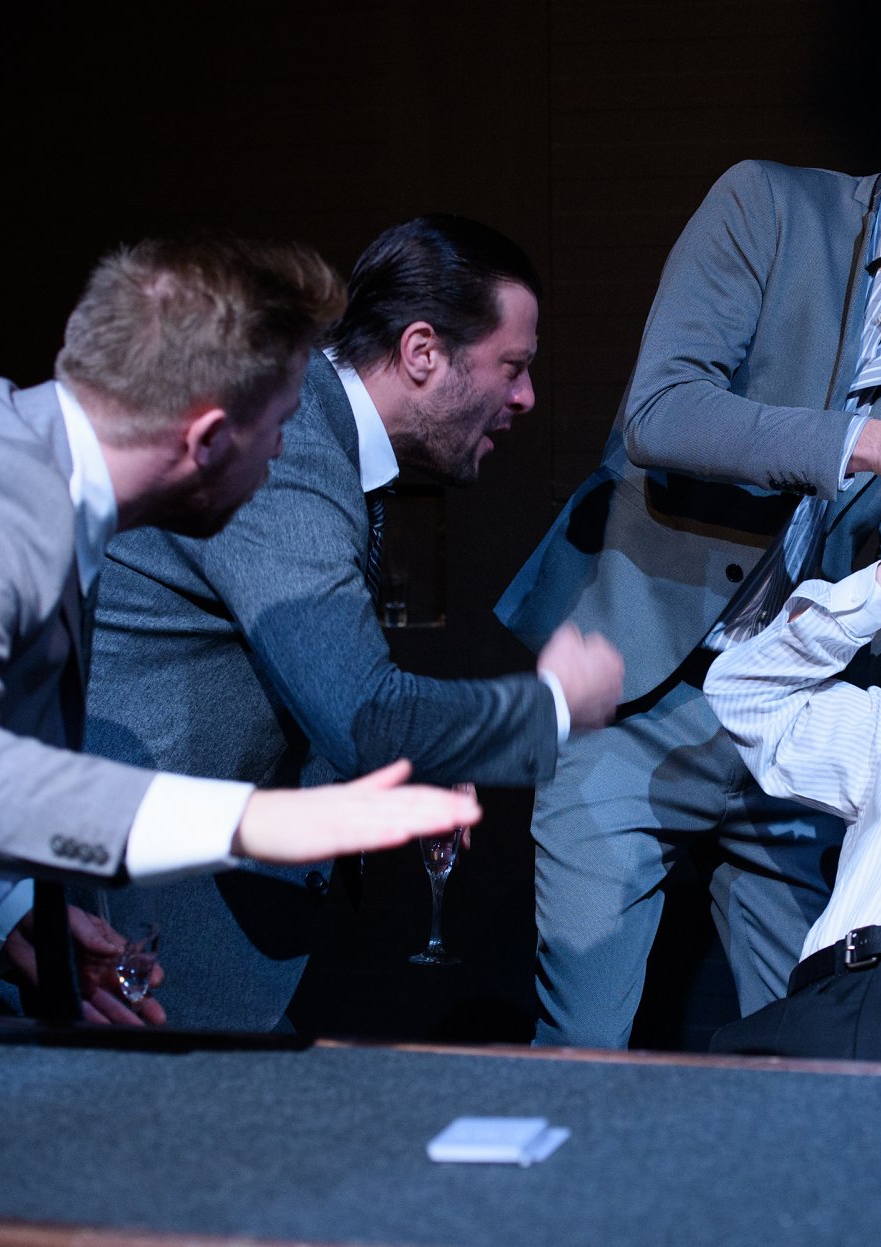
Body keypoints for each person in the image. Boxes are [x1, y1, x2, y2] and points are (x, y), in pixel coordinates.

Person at [0, 238, 482, 1072]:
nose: (285, 454)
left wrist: (6, 917)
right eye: (282, 424)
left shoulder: (37, 470)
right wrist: (261, 821)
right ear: (208, 438)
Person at [497, 96, 881, 1048]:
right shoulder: (769, 209)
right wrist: (869, 441)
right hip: (633, 689)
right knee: (582, 1046)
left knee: (819, 1052)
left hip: (788, 725)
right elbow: (661, 413)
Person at [85, 217, 622, 1032]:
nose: (526, 398)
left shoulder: (325, 442)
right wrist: (551, 705)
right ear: (422, 352)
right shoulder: (292, 446)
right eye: (512, 366)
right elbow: (363, 712)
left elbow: (310, 669)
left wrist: (415, 754)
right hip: (139, 921)